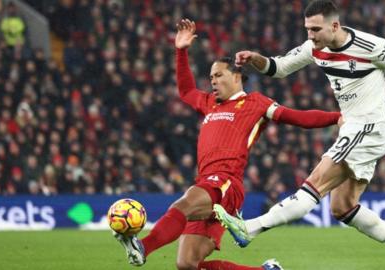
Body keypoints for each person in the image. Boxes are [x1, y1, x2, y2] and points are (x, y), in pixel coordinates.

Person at [213, 1, 385, 270]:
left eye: (316, 29)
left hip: (368, 127)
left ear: (335, 26)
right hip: (356, 129)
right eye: (307, 29)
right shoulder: (314, 48)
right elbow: (278, 67)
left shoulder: (370, 46)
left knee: (315, 183)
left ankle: (250, 228)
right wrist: (255, 58)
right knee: (342, 207)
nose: (310, 36)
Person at [113, 19, 342, 270]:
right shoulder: (210, 102)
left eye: (218, 75)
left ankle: (143, 247)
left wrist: (337, 117)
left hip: (226, 183)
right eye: (211, 77)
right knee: (187, 264)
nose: (212, 81)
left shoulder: (256, 103)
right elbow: (187, 91)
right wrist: (181, 51)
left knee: (182, 205)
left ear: (236, 76)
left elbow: (298, 117)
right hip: (207, 182)